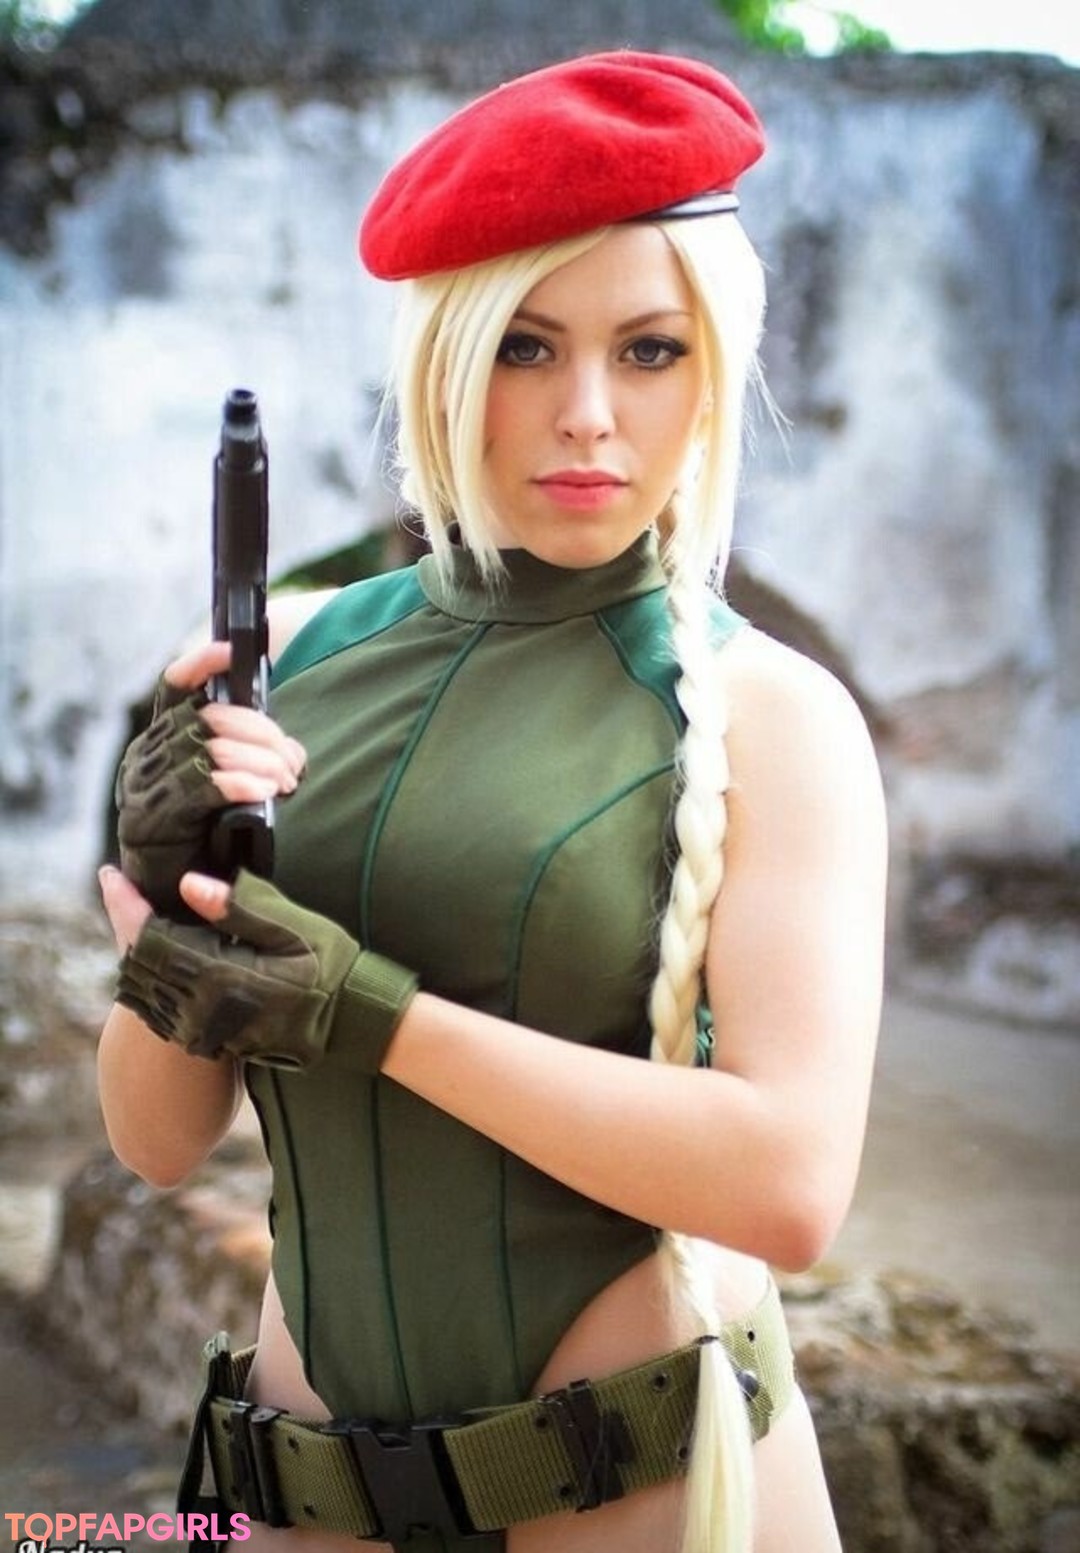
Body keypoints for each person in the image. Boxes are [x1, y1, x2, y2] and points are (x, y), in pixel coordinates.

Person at [96, 50, 887, 1553]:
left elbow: (789, 1185)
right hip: (302, 1497)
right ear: (446, 362)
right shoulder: (284, 665)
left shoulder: (775, 714)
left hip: (641, 1496)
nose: (588, 414)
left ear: (713, 369)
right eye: (527, 347)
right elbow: (156, 1140)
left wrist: (375, 1020)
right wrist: (168, 907)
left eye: (649, 350)